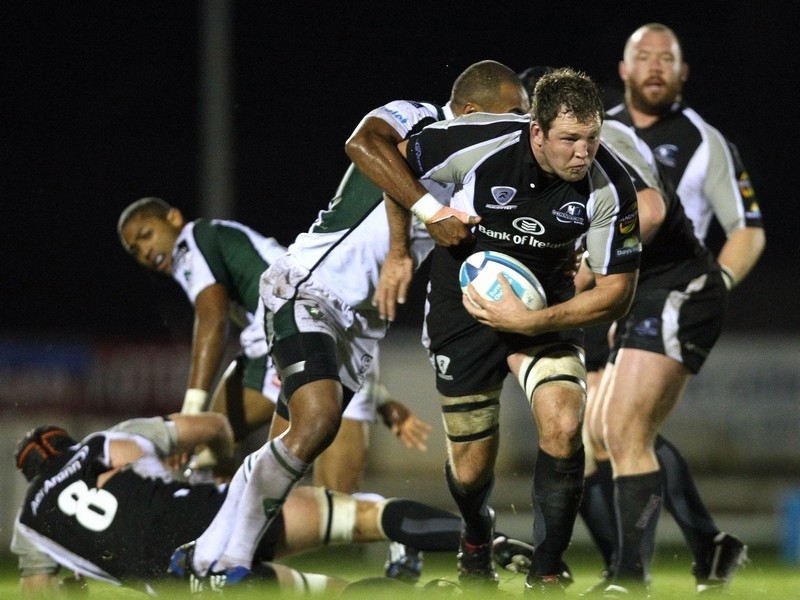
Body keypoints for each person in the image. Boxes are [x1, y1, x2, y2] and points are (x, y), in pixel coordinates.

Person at [173, 59, 533, 589]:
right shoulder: (422, 118)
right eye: (513, 115)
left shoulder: (479, 173)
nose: (518, 129)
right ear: (473, 112)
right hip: (310, 286)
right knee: (315, 423)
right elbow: (364, 146)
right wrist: (419, 226)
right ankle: (228, 564)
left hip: (361, 326)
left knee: (295, 451)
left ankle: (200, 553)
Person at [349, 66, 642, 594]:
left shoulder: (611, 187)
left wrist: (533, 321)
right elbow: (370, 146)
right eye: (569, 139)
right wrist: (422, 219)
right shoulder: (478, 141)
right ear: (535, 129)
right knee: (469, 469)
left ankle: (546, 572)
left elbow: (616, 292)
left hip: (546, 307)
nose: (583, 153)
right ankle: (476, 539)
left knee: (562, 418)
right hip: (465, 309)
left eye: (592, 138)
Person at [590, 23, 762, 593]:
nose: (656, 66)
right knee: (603, 434)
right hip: (612, 298)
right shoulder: (595, 132)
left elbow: (747, 231)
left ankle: (627, 573)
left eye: (668, 58)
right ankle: (705, 544)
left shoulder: (704, 141)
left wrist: (711, 289)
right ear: (623, 68)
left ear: (684, 72)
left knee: (624, 430)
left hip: (671, 292)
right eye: (644, 56)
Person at [11, 412, 530, 596]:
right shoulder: (107, 442)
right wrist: (211, 468)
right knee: (361, 515)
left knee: (338, 593)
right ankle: (487, 541)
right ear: (66, 442)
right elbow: (214, 428)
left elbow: (41, 594)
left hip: (182, 576)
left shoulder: (31, 523)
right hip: (220, 512)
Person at [117, 198, 431, 492]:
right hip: (299, 332)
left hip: (295, 324)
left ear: (173, 218)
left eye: (146, 235)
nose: (144, 250)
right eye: (135, 250)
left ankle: (403, 538)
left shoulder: (192, 240)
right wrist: (382, 400)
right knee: (212, 444)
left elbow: (212, 319)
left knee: (333, 497)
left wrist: (190, 411)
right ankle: (225, 523)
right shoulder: (211, 242)